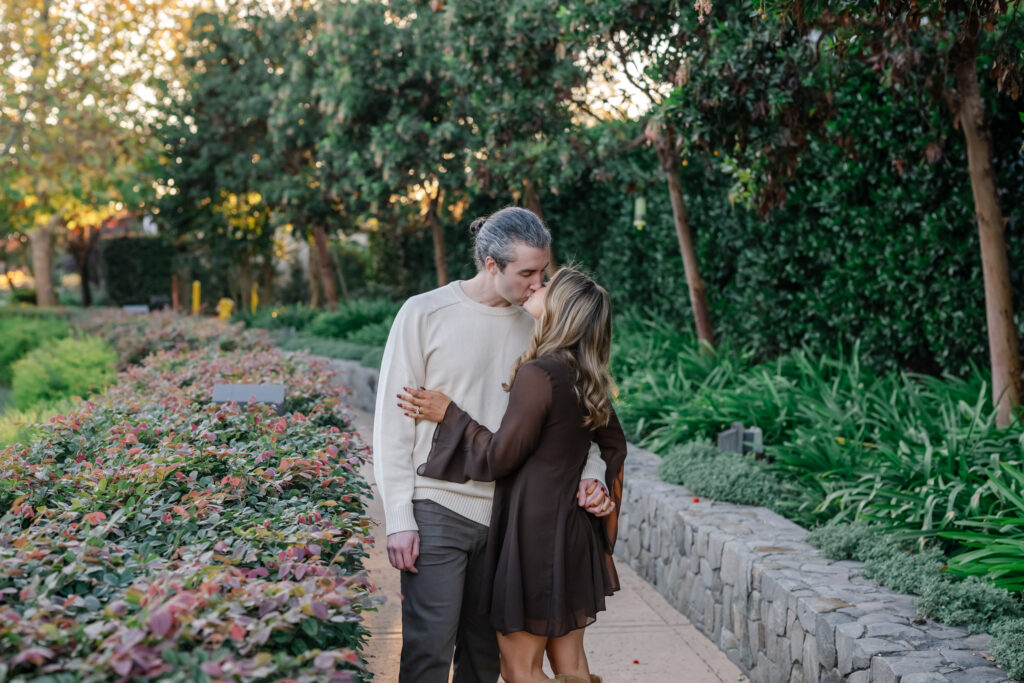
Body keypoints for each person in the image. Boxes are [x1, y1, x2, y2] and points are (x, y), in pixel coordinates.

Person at [372, 207, 613, 683]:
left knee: (484, 661)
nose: (536, 283)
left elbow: (574, 423)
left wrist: (592, 474)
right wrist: (399, 517)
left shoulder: (542, 324)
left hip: (510, 518)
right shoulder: (423, 313)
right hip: (440, 506)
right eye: (526, 273)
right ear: (490, 264)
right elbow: (392, 425)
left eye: (542, 272)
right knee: (427, 651)